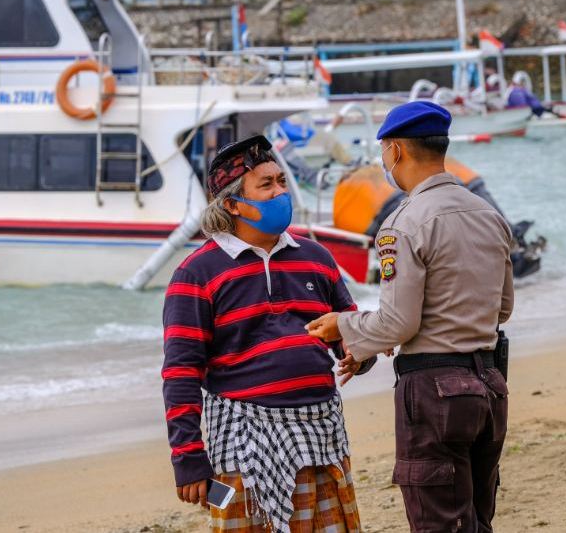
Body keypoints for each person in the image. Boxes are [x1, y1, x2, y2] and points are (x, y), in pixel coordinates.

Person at [306, 101, 514, 533]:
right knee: (478, 518)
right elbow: (503, 308)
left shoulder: (403, 223)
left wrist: (342, 325)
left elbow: (399, 323)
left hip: (435, 391)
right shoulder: (489, 216)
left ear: (396, 151)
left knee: (439, 520)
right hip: (491, 383)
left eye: (384, 152)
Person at [161, 135, 375, 533]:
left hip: (322, 430)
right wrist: (188, 457)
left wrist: (358, 352)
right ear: (231, 204)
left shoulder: (316, 257)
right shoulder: (197, 273)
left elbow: (347, 325)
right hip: (242, 438)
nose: (281, 192)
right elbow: (181, 372)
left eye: (281, 181)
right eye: (267, 185)